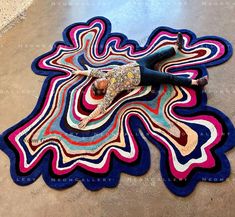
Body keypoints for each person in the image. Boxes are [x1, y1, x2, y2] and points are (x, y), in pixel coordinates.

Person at [73, 33, 208, 129]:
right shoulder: (111, 90)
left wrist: (79, 72)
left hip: (138, 64)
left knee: (157, 55)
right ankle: (195, 83)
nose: (100, 79)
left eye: (97, 80)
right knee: (167, 77)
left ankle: (177, 47)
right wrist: (88, 118)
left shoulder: (105, 75)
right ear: (103, 89)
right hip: (143, 76)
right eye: (99, 83)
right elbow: (101, 107)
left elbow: (92, 72)